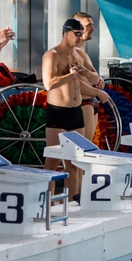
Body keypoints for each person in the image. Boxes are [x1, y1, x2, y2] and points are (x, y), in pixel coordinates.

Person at [42, 19, 94, 202]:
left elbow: (95, 78)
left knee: (74, 163)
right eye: (77, 33)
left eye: (82, 34)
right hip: (58, 112)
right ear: (66, 33)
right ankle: (47, 205)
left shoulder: (79, 54)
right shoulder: (52, 55)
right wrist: (70, 76)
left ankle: (72, 205)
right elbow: (48, 84)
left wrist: (86, 73)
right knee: (52, 162)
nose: (80, 37)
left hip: (76, 112)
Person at [72, 12, 110, 146]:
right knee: (83, 148)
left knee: (89, 147)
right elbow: (73, 82)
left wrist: (98, 79)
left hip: (91, 102)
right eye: (88, 26)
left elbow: (90, 75)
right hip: (82, 103)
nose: (92, 29)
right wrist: (98, 92)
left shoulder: (81, 50)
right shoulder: (73, 51)